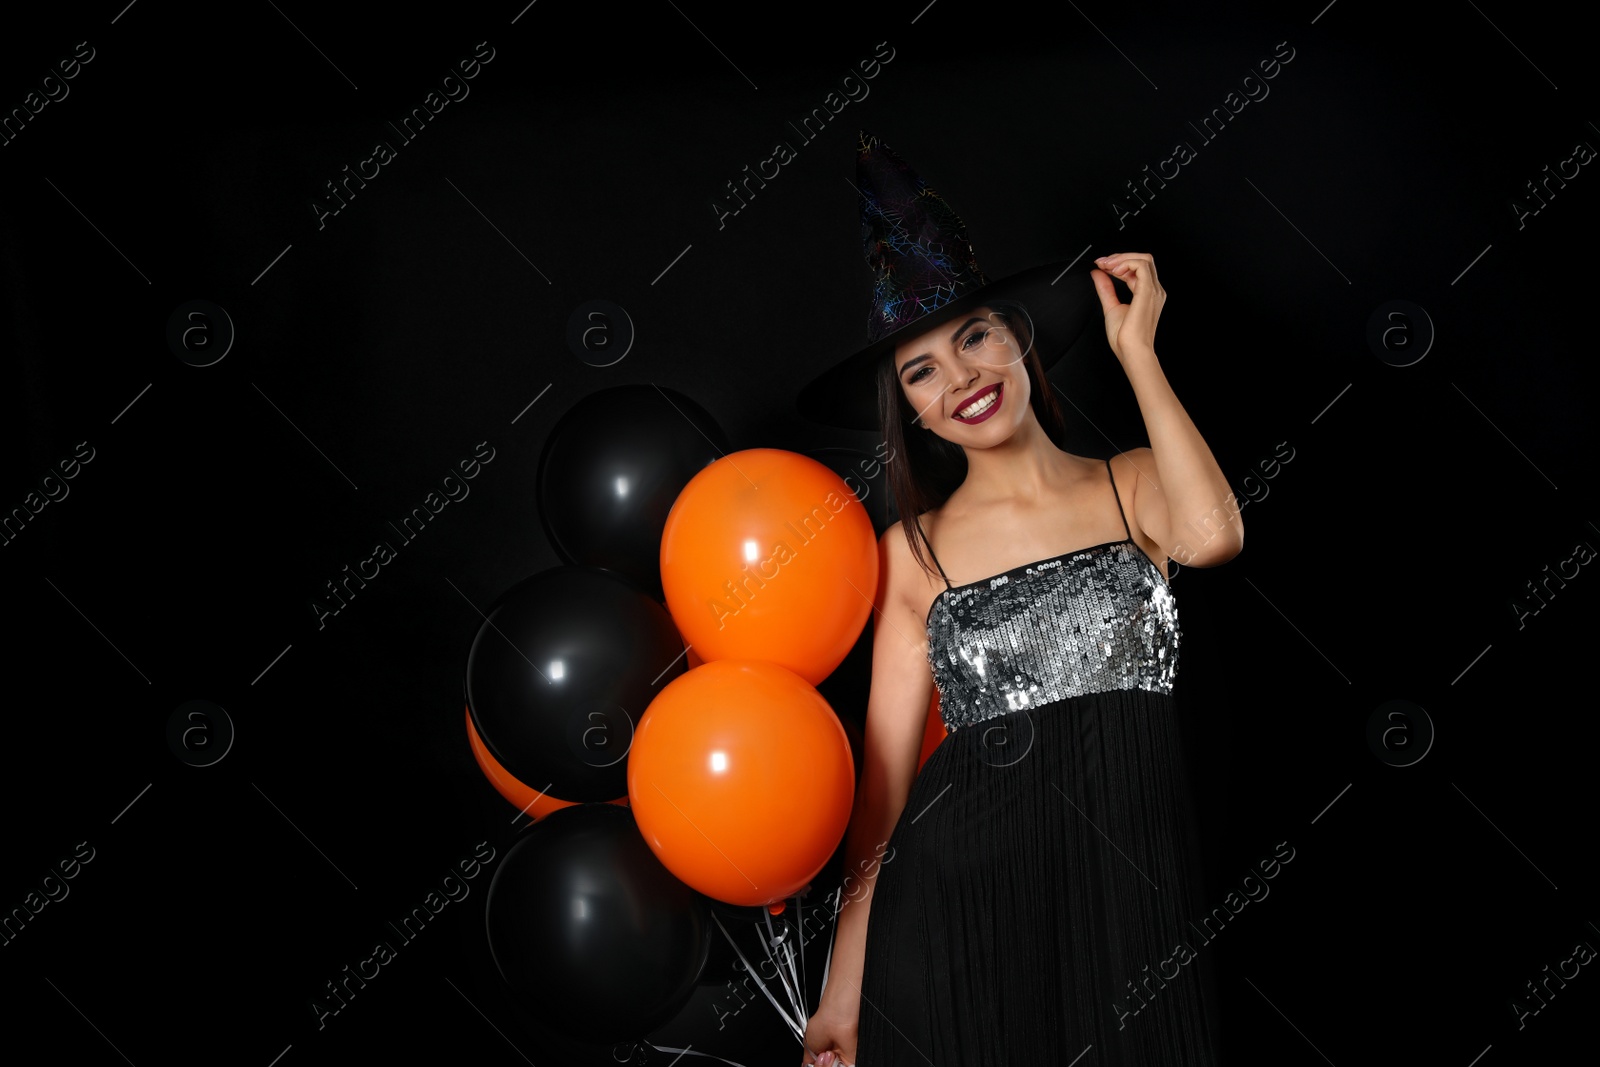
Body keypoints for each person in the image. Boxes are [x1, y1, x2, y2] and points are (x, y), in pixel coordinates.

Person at [795, 133, 1241, 1066]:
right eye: (921, 370)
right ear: (908, 409)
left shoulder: (1132, 484)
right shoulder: (912, 552)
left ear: (1018, 336)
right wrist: (843, 988)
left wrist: (1138, 353)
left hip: (1133, 906)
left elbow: (1214, 537)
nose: (960, 379)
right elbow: (882, 789)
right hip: (964, 920)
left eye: (975, 336)